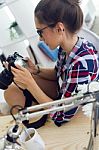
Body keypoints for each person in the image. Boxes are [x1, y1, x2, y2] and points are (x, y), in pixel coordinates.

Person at [4, 0, 99, 126]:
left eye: (40, 32)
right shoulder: (69, 47)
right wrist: (36, 70)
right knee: (11, 90)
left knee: (13, 93)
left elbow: (61, 117)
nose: (40, 38)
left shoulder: (82, 64)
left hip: (74, 115)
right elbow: (57, 74)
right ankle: (42, 112)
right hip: (63, 94)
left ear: (59, 28)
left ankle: (42, 121)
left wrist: (30, 84)